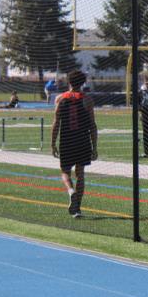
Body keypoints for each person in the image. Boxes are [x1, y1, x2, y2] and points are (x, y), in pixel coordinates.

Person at [51, 70, 98, 218]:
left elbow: (56, 123)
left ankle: (71, 191)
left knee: (65, 171)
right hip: (83, 140)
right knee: (80, 174)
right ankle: (77, 208)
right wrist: (94, 146)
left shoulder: (60, 98)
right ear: (83, 83)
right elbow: (92, 125)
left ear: (69, 82)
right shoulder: (87, 99)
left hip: (67, 140)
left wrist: (53, 143)